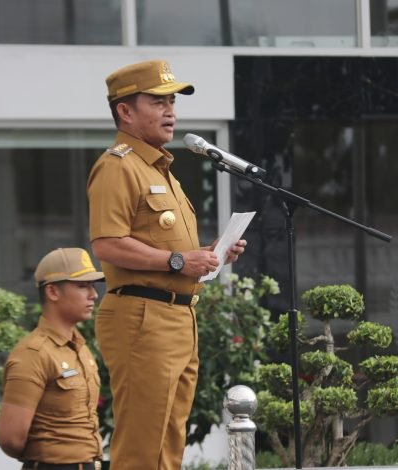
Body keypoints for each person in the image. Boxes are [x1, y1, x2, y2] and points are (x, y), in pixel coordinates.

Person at [86, 59, 246, 470]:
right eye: (158, 102)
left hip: (177, 318)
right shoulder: (118, 166)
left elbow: (167, 251)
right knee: (143, 446)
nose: (170, 111)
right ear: (125, 111)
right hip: (143, 317)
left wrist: (211, 254)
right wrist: (178, 260)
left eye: (172, 101)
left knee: (169, 445)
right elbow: (107, 243)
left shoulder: (160, 170)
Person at [0, 247, 106, 470]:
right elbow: (10, 438)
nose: (93, 295)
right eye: (82, 286)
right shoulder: (33, 353)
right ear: (53, 292)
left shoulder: (80, 347)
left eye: (92, 286)